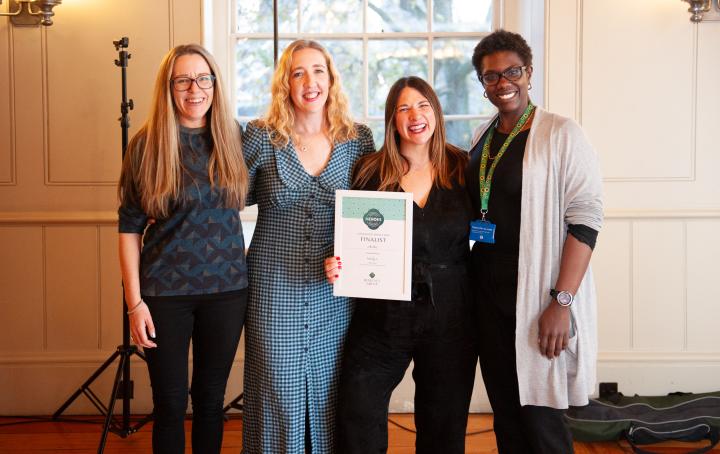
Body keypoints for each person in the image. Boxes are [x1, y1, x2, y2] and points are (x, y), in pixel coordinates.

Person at [466, 30, 603, 453]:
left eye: (513, 71)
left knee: (542, 421)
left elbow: (586, 219)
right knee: (506, 416)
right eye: (491, 76)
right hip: (488, 297)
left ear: (529, 72)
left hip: (538, 296)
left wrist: (561, 302)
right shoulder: (481, 138)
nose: (503, 83)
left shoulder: (562, 134)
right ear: (483, 83)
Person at [327, 76, 477, 454]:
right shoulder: (369, 171)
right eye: (404, 108)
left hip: (452, 313)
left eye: (423, 105)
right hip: (381, 314)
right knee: (358, 410)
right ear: (392, 119)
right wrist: (338, 263)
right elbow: (351, 238)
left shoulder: (463, 168)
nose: (415, 115)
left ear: (437, 113)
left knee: (444, 421)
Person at [241, 39, 375, 454]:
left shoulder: (358, 139)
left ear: (331, 79)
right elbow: (224, 201)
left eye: (318, 70)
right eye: (298, 72)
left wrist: (354, 260)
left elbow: (374, 215)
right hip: (271, 287)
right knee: (275, 389)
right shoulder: (261, 137)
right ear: (286, 84)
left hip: (335, 293)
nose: (309, 81)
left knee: (330, 386)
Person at [117, 44, 248, 454]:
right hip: (163, 296)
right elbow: (128, 228)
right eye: (183, 80)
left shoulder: (235, 137)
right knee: (170, 404)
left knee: (211, 403)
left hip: (226, 292)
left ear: (215, 84)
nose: (195, 88)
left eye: (204, 78)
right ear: (168, 88)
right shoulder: (146, 145)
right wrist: (134, 303)